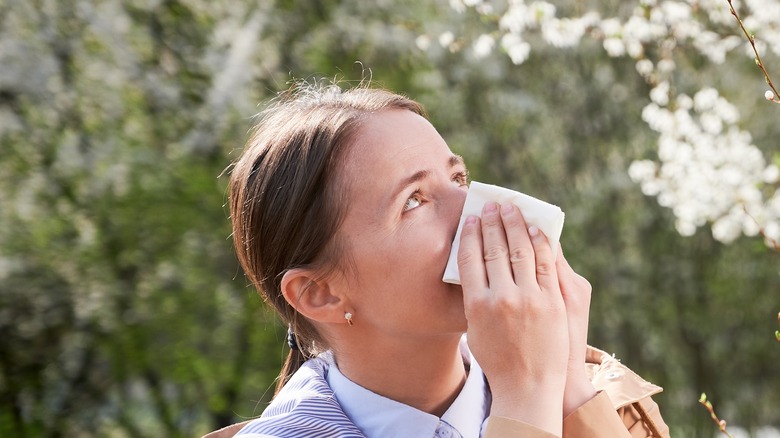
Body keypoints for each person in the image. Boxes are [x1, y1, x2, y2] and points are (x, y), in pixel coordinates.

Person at [205, 82, 669, 438]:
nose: (478, 209)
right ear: (319, 293)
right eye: (414, 200)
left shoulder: (606, 397)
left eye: (459, 177)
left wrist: (569, 393)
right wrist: (526, 401)